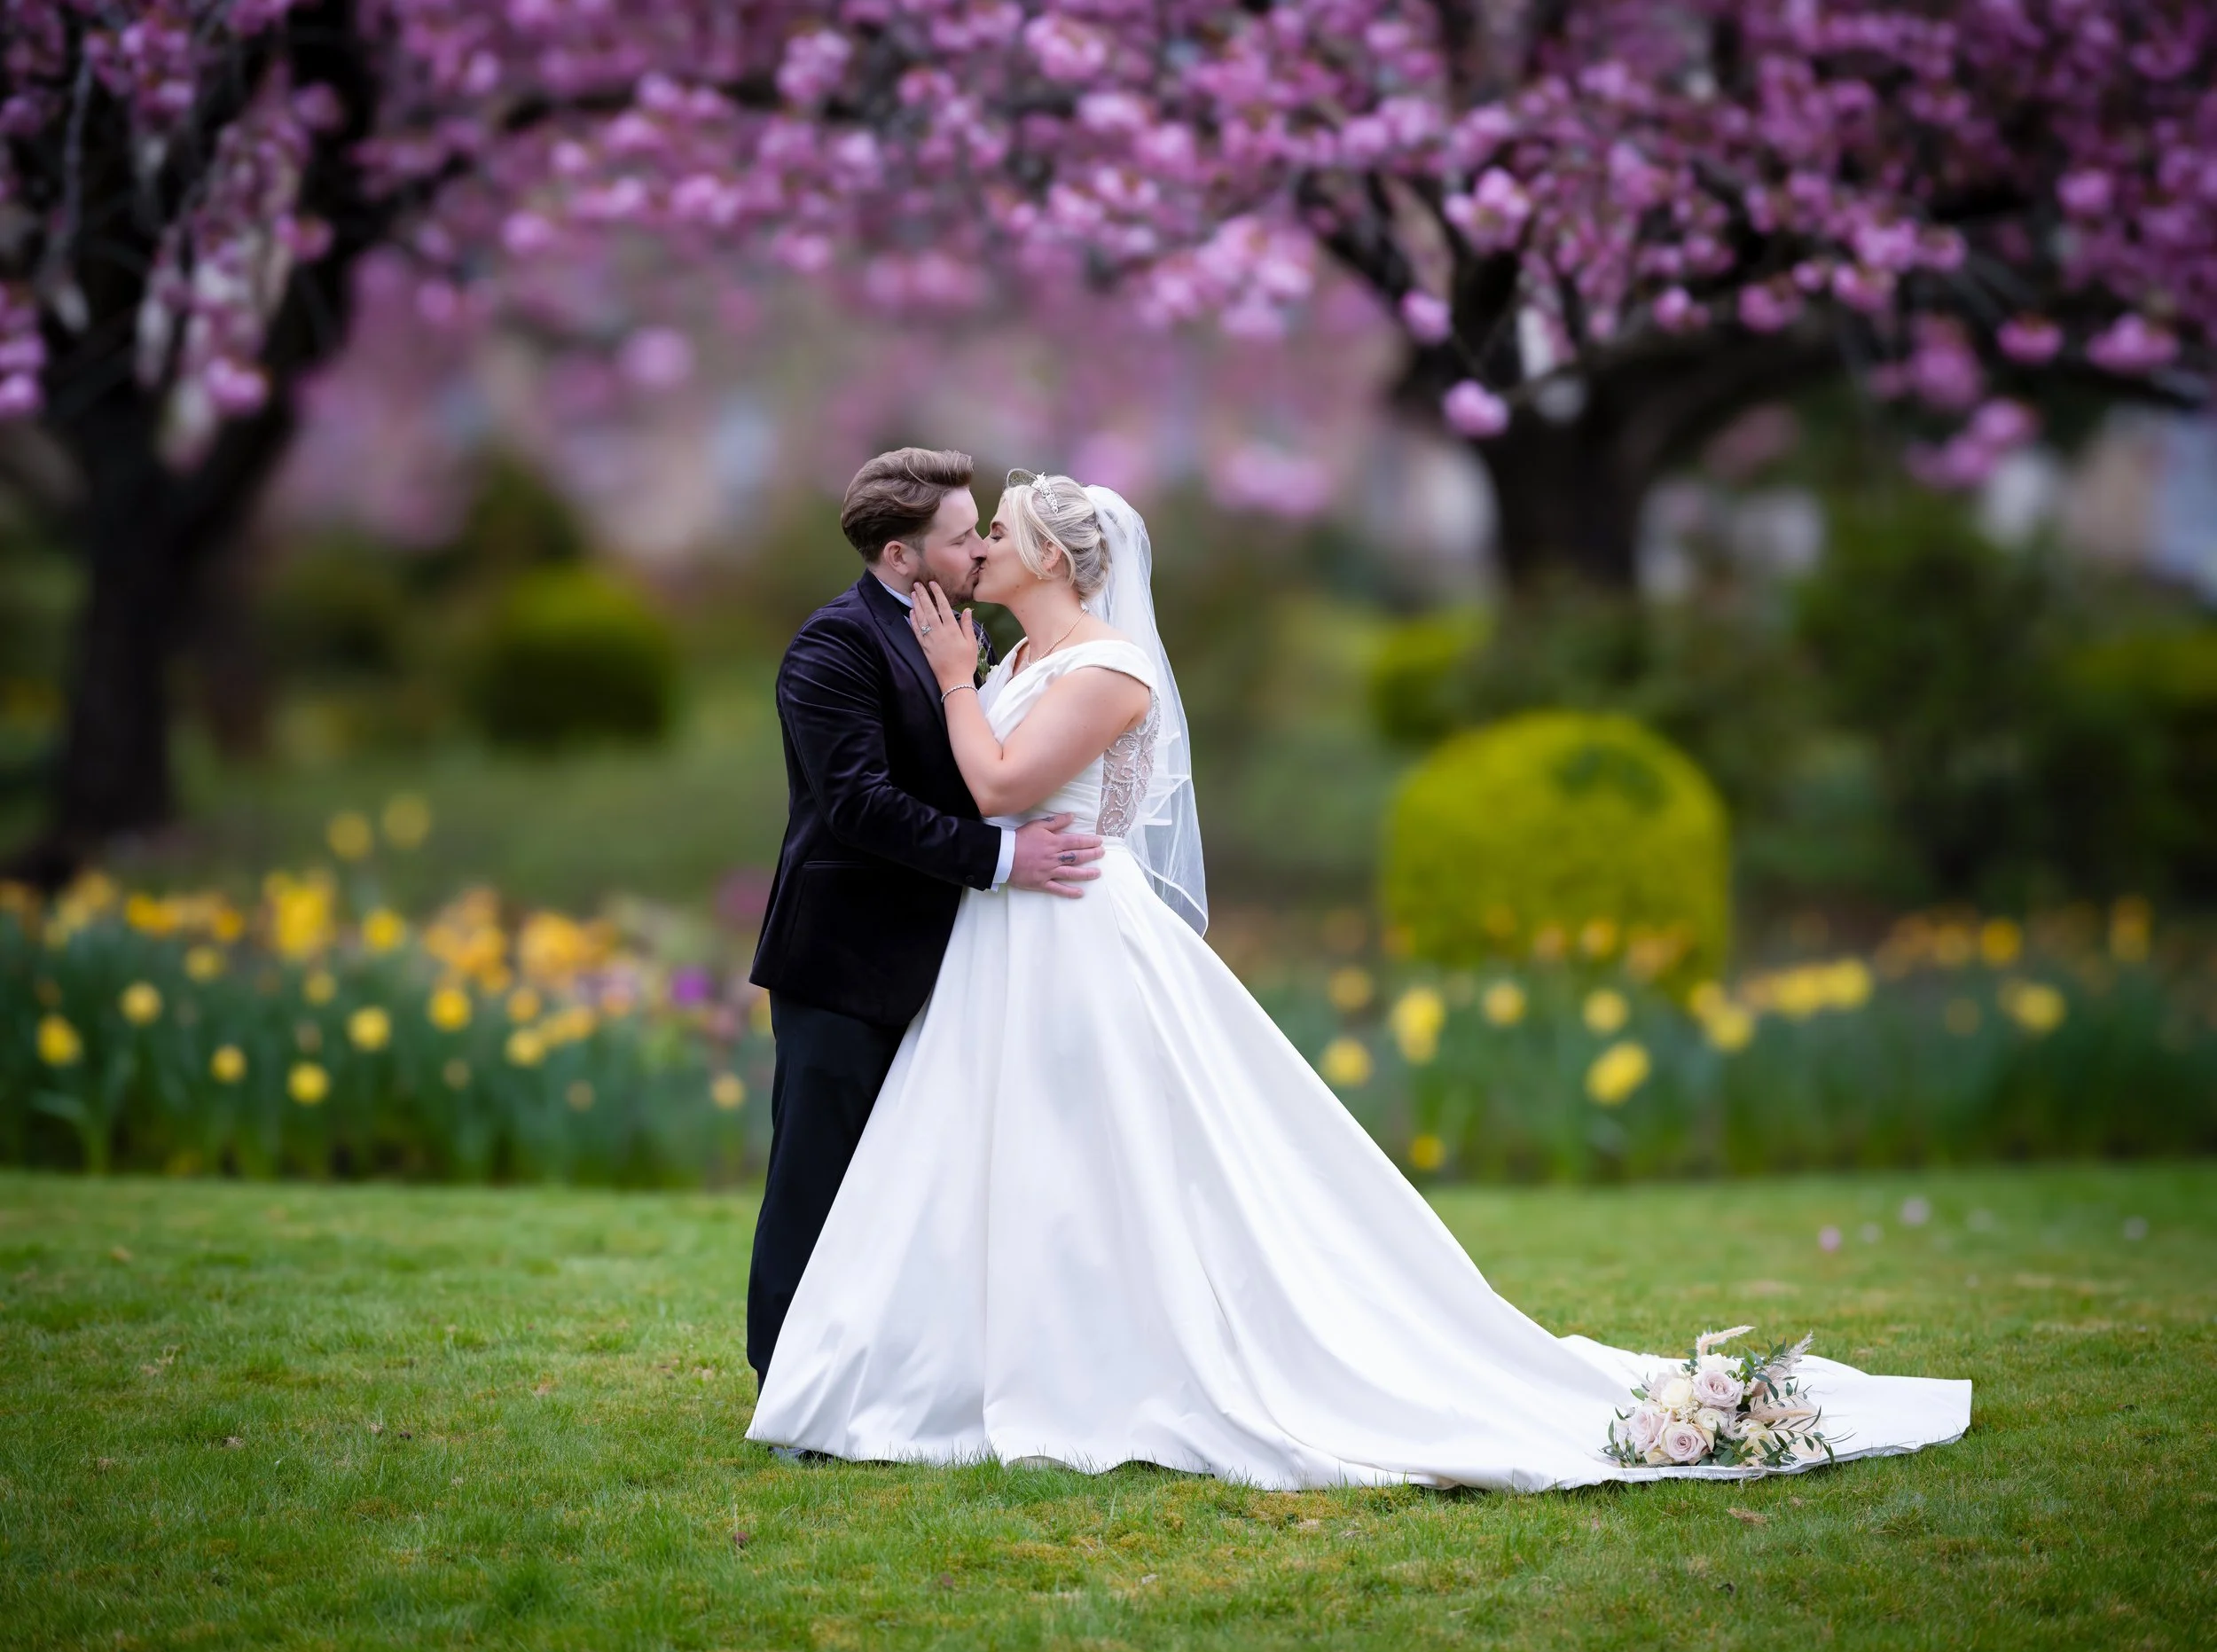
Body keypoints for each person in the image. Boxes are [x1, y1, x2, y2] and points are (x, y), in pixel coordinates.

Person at [746, 470, 1971, 1491]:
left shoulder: (1100, 665)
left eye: (998, 534)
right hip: (1005, 927)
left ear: (1058, 561)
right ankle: (955, 1355)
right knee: (1003, 1150)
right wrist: (971, 699)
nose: (982, 548)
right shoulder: (1008, 653)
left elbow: (1005, 786)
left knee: (1106, 1150)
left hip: (1071, 924)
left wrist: (960, 691)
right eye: (976, 534)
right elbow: (962, 783)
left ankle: (1109, 1358)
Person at [745, 448, 1105, 1384]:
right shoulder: (833, 647)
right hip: (845, 959)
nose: (981, 550)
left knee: (912, 1184)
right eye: (961, 539)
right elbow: (857, 803)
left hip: (957, 958)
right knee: (817, 1178)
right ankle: (785, 1378)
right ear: (901, 559)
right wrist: (1000, 858)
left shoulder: (965, 637)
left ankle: (892, 1368)